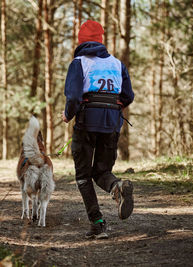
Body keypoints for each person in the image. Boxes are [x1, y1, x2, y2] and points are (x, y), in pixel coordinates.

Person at [62, 20, 135, 239]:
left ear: (81, 41)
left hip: (86, 122)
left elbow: (74, 96)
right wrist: (113, 107)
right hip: (112, 122)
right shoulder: (116, 63)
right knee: (102, 171)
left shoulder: (79, 62)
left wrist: (68, 114)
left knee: (83, 176)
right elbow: (128, 96)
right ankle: (117, 186)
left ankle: (98, 224)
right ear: (101, 40)